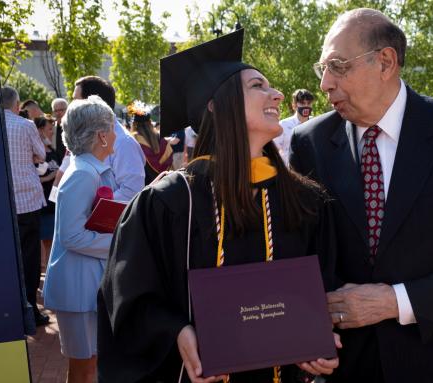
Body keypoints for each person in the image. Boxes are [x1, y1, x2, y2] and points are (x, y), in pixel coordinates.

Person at [97, 29, 340, 383]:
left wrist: (320, 337)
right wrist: (178, 333)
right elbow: (128, 301)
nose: (278, 94)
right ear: (215, 103)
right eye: (259, 85)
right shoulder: (168, 202)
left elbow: (326, 289)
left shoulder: (305, 201)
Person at [289, 9, 433, 382]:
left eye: (338, 66)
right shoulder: (310, 142)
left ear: (385, 62)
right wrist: (308, 331)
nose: (326, 83)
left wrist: (396, 301)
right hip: (346, 366)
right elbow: (303, 254)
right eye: (323, 69)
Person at [42, 95, 117, 383]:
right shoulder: (84, 174)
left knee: (90, 364)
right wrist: (117, 242)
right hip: (78, 286)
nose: (114, 134)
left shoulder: (86, 169)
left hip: (84, 283)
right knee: (83, 367)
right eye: (111, 128)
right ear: (100, 135)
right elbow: (72, 236)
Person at [1, 86, 49, 327]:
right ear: (17, 105)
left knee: (6, 257)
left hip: (1, 200)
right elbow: (41, 154)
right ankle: (30, 309)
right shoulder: (25, 125)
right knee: (30, 258)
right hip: (27, 200)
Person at [72, 76, 145, 201]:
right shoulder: (85, 136)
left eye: (76, 101)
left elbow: (131, 191)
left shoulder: (123, 143)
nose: (71, 106)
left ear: (94, 105)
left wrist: (91, 207)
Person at [34, 116, 60, 269]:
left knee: (51, 239)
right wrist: (50, 177)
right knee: (43, 239)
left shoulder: (53, 150)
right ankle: (43, 270)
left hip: (53, 201)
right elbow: (32, 176)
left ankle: (49, 268)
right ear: (41, 130)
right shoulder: (35, 153)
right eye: (49, 129)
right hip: (42, 201)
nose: (51, 132)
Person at [127, 101, 173, 184]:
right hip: (162, 185)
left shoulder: (133, 140)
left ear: (134, 124)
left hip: (142, 186)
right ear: (150, 123)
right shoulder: (163, 140)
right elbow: (170, 163)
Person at [275, 89, 315, 164]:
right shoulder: (283, 125)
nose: (306, 106)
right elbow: (274, 151)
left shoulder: (315, 124)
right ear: (294, 105)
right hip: (288, 172)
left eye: (309, 103)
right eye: (302, 103)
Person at [52, 98, 69, 163]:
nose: (58, 113)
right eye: (55, 110)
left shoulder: (74, 127)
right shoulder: (51, 128)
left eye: (61, 110)